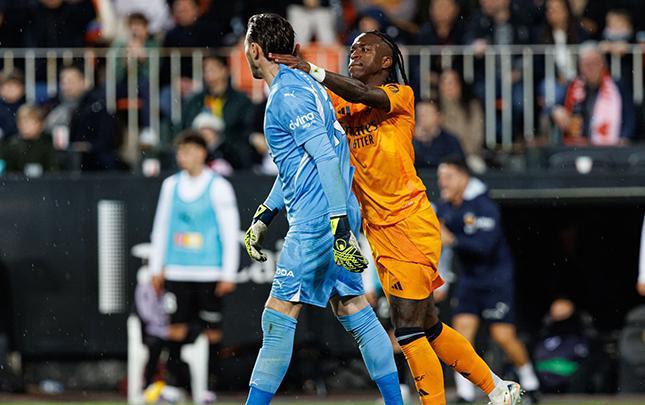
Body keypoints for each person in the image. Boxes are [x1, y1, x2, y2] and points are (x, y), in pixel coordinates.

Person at [271, 31, 521, 405]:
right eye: (353, 49)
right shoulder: (338, 100)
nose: (355, 53)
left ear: (386, 61)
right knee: (428, 325)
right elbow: (310, 105)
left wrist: (312, 69)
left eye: (365, 49)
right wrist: (290, 69)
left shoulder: (399, 95)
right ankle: (498, 389)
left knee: (406, 328)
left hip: (408, 222)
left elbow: (363, 94)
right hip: (377, 229)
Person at [241, 13, 403, 405]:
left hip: (319, 220)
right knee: (353, 308)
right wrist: (266, 214)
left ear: (255, 50)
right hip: (332, 211)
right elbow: (300, 164)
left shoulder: (287, 96)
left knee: (278, 316)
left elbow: (326, 158)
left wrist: (337, 225)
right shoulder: (305, 86)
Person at [435, 156, 540, 404]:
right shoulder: (445, 207)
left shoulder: (483, 205)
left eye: (448, 177)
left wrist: (453, 239)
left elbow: (484, 246)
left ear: (463, 177)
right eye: (440, 178)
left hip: (495, 279)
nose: (443, 183)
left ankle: (531, 384)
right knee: (461, 335)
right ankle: (465, 393)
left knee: (503, 336)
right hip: (468, 280)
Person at [149, 131, 240, 400]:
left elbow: (229, 230)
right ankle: (177, 385)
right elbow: (161, 226)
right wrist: (156, 267)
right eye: (180, 151)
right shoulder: (170, 186)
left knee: (211, 333)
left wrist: (228, 273)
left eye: (187, 151)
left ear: (201, 153)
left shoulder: (219, 186)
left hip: (209, 272)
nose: (182, 156)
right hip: (177, 270)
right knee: (176, 329)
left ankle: (208, 386)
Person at [550, 42, 636, 146]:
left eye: (594, 63)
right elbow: (552, 107)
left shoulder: (617, 86)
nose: (590, 68)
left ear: (603, 64)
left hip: (611, 148)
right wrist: (556, 110)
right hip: (578, 147)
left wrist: (625, 137)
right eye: (586, 64)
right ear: (580, 67)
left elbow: (630, 116)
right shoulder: (572, 87)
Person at [43, 65, 122, 171]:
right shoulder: (51, 105)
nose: (66, 86)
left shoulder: (97, 107)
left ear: (83, 82)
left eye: (71, 81)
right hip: (57, 158)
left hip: (91, 160)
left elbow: (107, 139)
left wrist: (87, 146)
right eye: (63, 81)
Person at [181, 55, 254, 169]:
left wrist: (219, 139)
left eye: (212, 69)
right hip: (200, 151)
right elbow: (186, 126)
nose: (208, 73)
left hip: (231, 153)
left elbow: (246, 130)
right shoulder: (195, 101)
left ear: (225, 70)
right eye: (205, 69)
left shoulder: (241, 100)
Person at [437, 70, 485, 172]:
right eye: (444, 83)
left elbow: (477, 137)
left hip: (468, 156)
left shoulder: (472, 106)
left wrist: (460, 151)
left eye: (451, 82)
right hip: (438, 158)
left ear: (459, 85)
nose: (447, 87)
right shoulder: (434, 107)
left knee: (478, 169)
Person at [0, 104, 56, 175]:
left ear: (40, 124)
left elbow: (54, 170)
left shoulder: (49, 144)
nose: (25, 125)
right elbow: (7, 173)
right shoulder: (11, 145)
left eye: (30, 122)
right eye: (21, 122)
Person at [412, 99, 465, 169]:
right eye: (419, 114)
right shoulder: (410, 140)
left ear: (439, 116)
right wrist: (416, 142)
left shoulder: (450, 141)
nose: (421, 117)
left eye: (426, 113)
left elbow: (457, 167)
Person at [0, 71, 25, 142]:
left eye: (15, 86)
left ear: (22, 89)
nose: (10, 89)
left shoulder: (27, 108)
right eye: (7, 85)